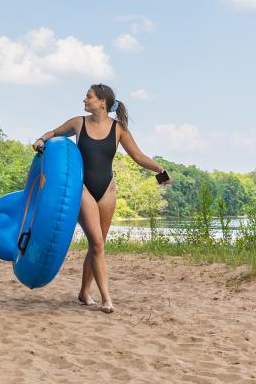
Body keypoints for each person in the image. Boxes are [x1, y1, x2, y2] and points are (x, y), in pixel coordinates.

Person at [32, 84, 170, 313]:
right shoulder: (79, 123)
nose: (85, 100)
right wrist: (41, 140)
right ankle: (107, 298)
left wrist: (159, 169)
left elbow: (137, 156)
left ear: (102, 102)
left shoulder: (119, 129)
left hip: (107, 191)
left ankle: (84, 292)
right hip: (83, 187)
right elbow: (54, 133)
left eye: (89, 97)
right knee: (96, 242)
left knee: (98, 245)